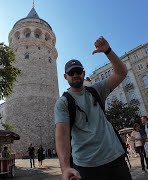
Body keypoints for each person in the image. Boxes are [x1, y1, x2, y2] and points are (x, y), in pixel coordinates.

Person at [54, 36, 131, 180]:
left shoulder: (97, 90)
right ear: (65, 77)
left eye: (78, 71)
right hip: (86, 165)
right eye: (71, 73)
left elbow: (121, 73)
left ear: (83, 73)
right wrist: (65, 168)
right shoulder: (63, 102)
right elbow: (62, 135)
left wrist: (108, 51)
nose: (75, 75)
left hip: (116, 158)